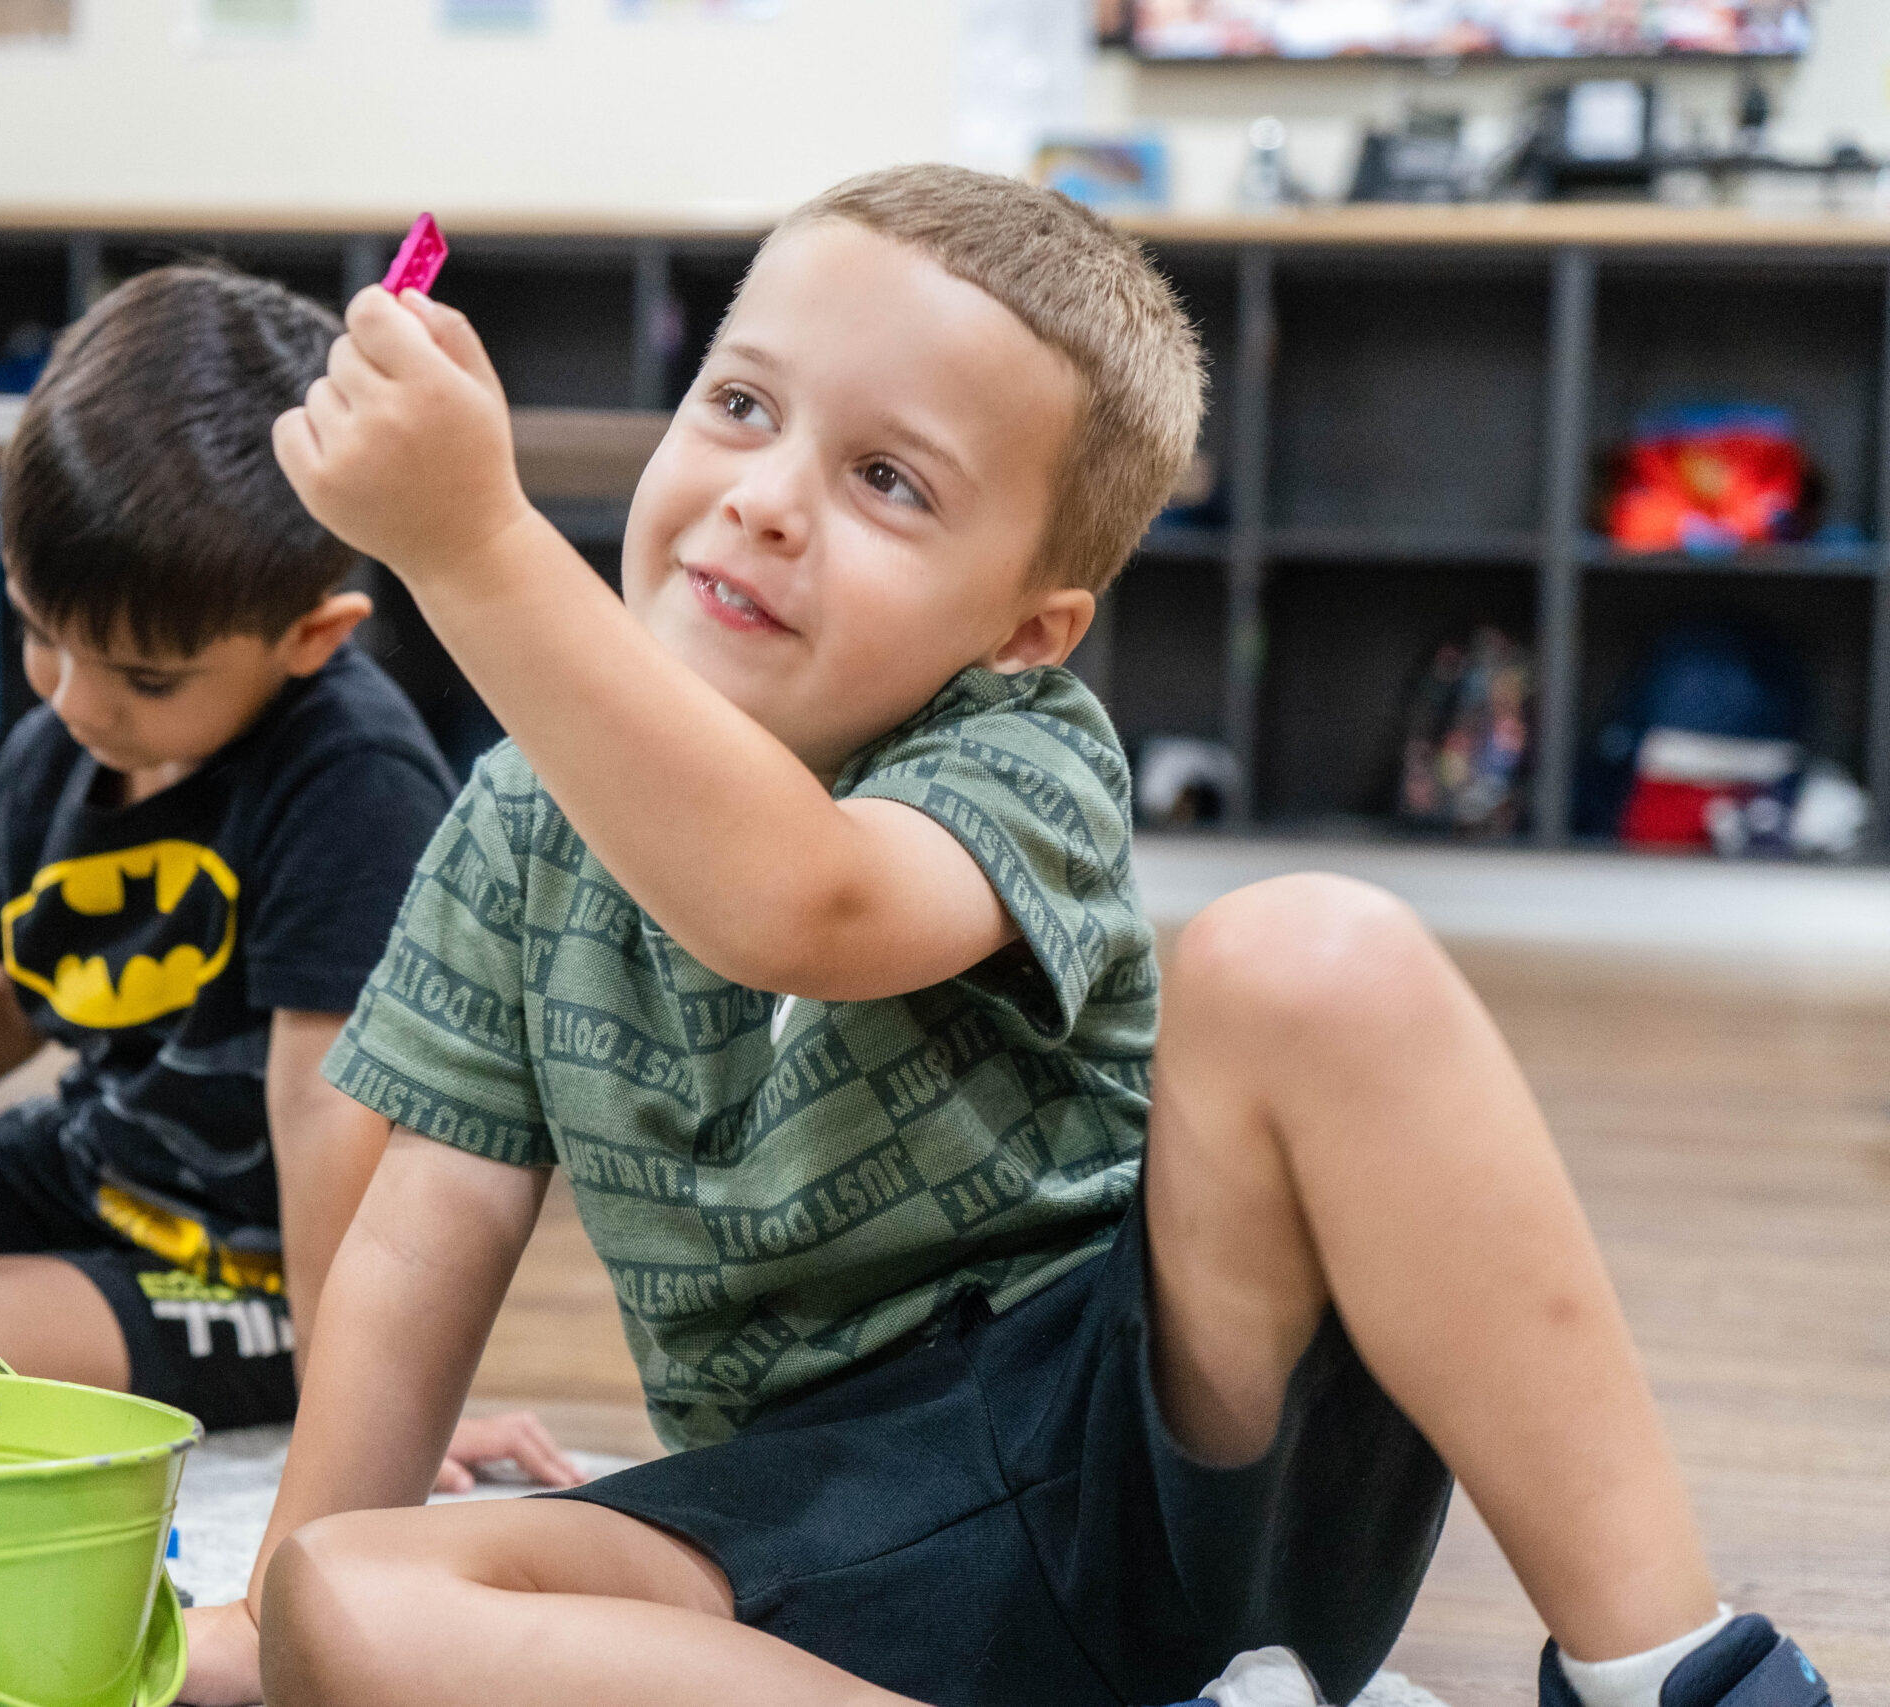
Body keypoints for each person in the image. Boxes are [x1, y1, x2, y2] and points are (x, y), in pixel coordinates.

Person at [173, 166, 1833, 1707]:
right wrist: (269, 1601)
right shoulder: (513, 822)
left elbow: (797, 898)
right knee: (351, 1597)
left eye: (887, 481)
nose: (761, 500)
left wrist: (473, 543)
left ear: (1028, 630)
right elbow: (419, 1232)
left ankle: (1673, 1674)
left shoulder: (1013, 748)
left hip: (1159, 1459)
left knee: (1312, 952)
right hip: (820, 1520)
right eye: (740, 405)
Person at [0, 264, 576, 1492]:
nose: (79, 703)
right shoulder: (77, 724)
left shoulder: (349, 773)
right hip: (84, 1170)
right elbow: (3, 994)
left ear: (311, 636)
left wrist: (364, 1392)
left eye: (147, 681)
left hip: (252, 1258)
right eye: (44, 638)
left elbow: (330, 1110)